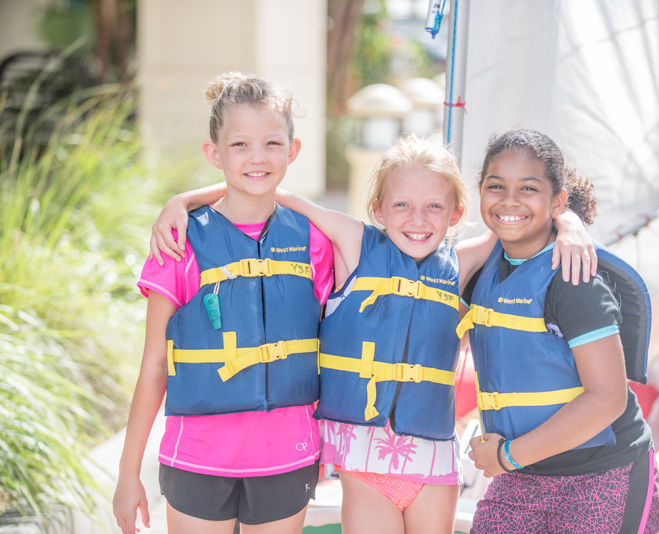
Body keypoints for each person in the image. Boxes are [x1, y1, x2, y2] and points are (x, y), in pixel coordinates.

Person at [149, 134, 596, 533]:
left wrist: (571, 223)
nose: (417, 219)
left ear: (457, 213)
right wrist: (184, 200)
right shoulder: (354, 244)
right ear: (378, 209)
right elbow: (271, 191)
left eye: (434, 207)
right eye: (401, 205)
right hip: (364, 461)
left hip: (433, 463)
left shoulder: (460, 264)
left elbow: (520, 218)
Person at [112, 72, 334, 534]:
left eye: (273, 144)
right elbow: (154, 365)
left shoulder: (315, 242)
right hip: (196, 459)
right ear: (214, 154)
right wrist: (127, 473)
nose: (258, 157)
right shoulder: (180, 242)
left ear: (293, 151)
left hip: (287, 459)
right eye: (240, 145)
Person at [461, 129, 659, 533]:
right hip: (521, 476)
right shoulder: (481, 268)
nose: (509, 200)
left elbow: (606, 399)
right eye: (495, 186)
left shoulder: (573, 279)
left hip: (603, 474)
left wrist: (507, 457)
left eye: (528, 188)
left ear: (557, 201)